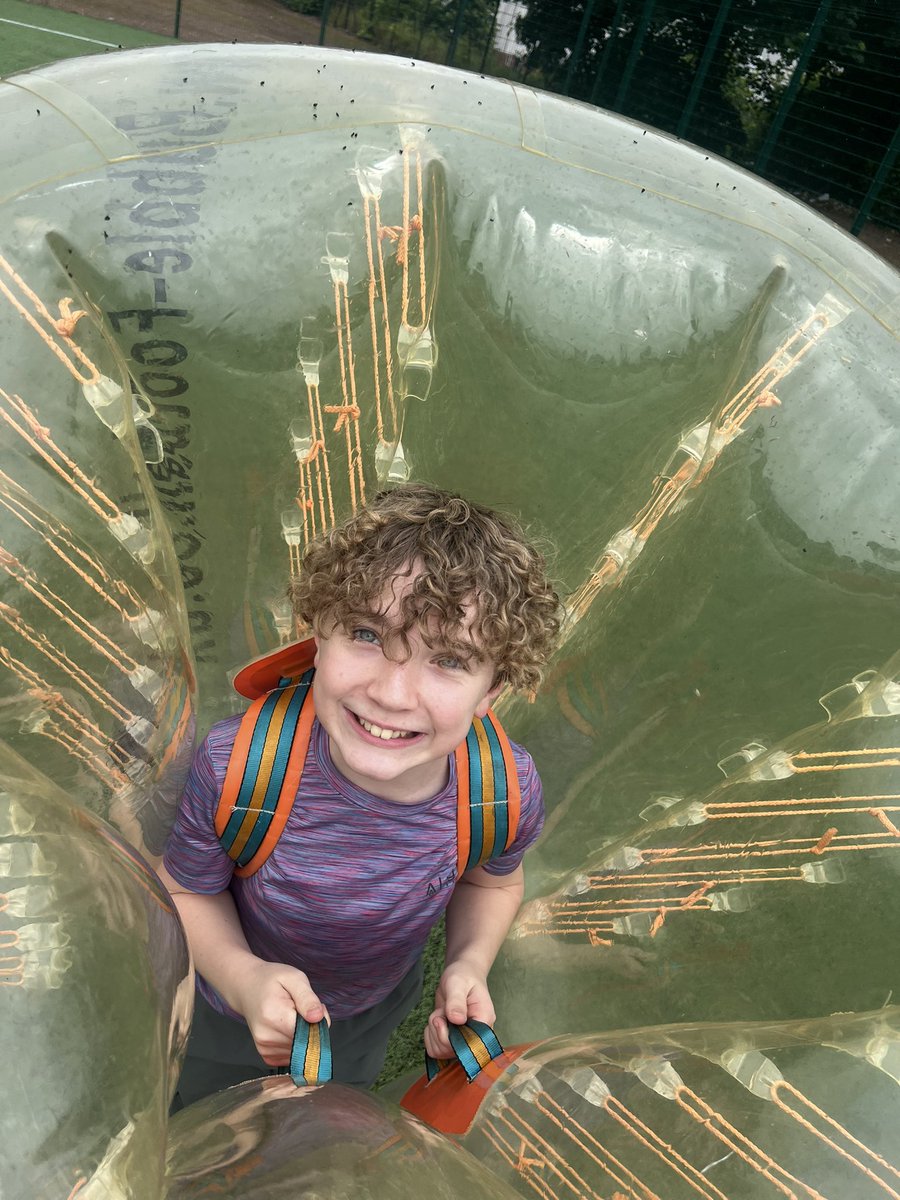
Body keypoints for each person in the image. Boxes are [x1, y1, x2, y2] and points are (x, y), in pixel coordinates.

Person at [160, 484, 561, 1105]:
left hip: (369, 1011)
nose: (393, 695)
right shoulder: (239, 767)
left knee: (322, 1114)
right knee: (197, 1112)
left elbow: (493, 882)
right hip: (224, 1008)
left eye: (450, 659)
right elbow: (188, 886)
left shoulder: (501, 791)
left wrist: (468, 963)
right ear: (317, 631)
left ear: (491, 692)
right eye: (368, 635)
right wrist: (243, 978)